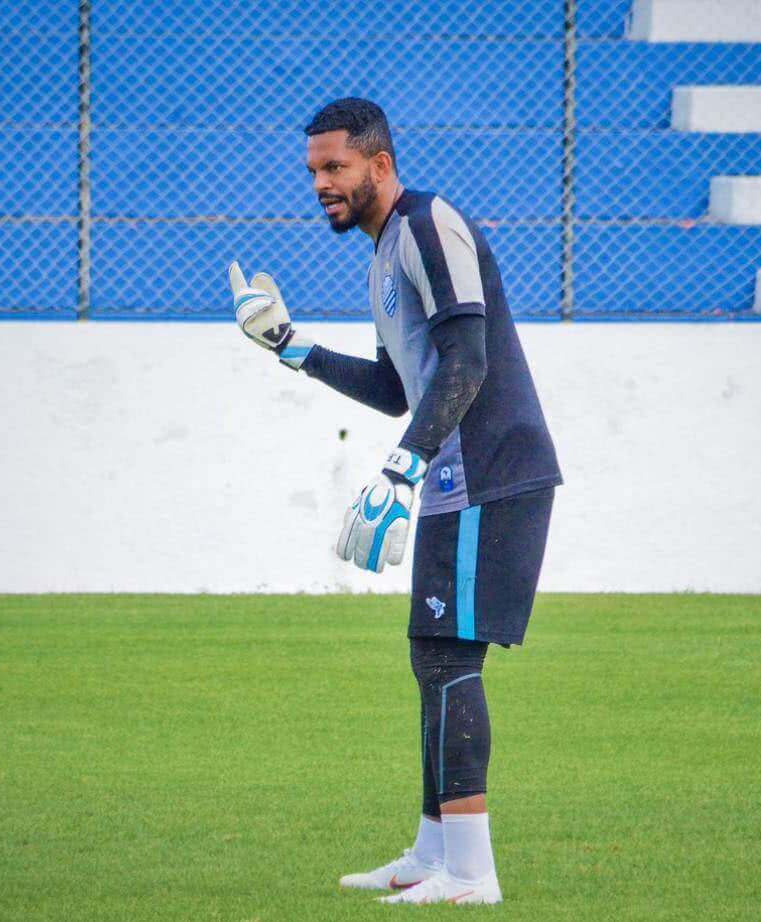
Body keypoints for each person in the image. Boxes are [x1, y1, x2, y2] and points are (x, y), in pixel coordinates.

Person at [227, 97, 562, 906]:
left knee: (450, 660)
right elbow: (397, 383)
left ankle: (473, 874)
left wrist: (404, 468)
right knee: (432, 656)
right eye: (312, 171)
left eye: (334, 167)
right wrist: (291, 347)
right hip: (456, 477)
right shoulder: (383, 253)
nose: (320, 183)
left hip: (491, 472)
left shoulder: (427, 223)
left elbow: (467, 358)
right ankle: (429, 852)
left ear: (379, 163)